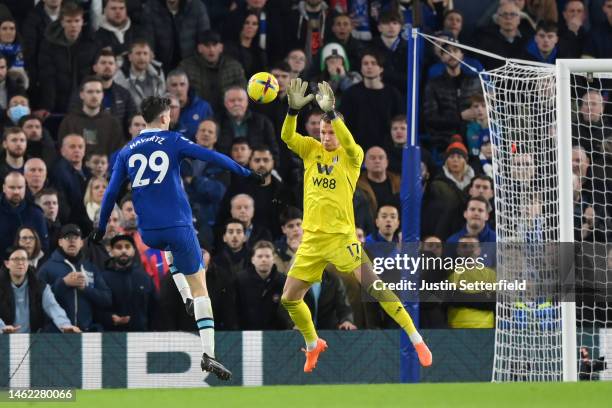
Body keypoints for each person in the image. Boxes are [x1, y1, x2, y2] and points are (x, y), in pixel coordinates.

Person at [92, 96, 265, 380]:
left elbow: (111, 192)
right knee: (203, 290)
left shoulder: (126, 151)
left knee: (171, 253)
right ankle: (209, 354)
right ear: (164, 118)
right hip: (177, 226)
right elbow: (213, 157)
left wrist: (100, 227)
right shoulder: (172, 140)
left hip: (148, 233)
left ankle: (185, 298)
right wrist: (247, 173)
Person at [279, 78, 432, 372]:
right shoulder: (311, 150)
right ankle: (313, 344)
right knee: (289, 299)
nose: (325, 136)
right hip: (311, 240)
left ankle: (415, 338)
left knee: (374, 287)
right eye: (322, 131)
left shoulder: (352, 156)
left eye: (330, 132)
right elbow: (287, 138)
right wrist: (292, 111)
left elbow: (348, 141)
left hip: (341, 238)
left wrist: (334, 115)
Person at [37, 224, 112, 332]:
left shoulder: (90, 267)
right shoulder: (47, 268)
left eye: (76, 238)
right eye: (67, 238)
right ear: (60, 242)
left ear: (81, 243)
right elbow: (36, 300)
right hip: (55, 334)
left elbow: (107, 299)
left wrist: (85, 289)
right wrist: (63, 283)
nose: (72, 241)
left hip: (86, 332)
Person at [0, 246, 81, 334]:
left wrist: (65, 325)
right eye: (15, 259)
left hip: (33, 339)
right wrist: (2, 328)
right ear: (7, 263)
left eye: (24, 259)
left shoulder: (40, 286)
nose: (20, 262)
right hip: (3, 339)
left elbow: (53, 307)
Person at [99, 234, 158, 331]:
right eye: (119, 247)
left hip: (142, 338)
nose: (123, 250)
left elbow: (154, 310)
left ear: (134, 251)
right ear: (112, 252)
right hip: (112, 337)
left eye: (127, 246)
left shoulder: (145, 278)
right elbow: (97, 309)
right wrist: (110, 318)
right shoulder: (103, 278)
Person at [58, 76, 125, 156]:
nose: (94, 96)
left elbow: (118, 154)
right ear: (81, 95)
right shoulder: (68, 122)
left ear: (102, 95)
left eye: (98, 92)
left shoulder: (113, 123)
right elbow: (63, 152)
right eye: (90, 92)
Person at [235, 240, 291, 330]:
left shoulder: (283, 281)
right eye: (260, 256)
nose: (263, 259)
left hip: (277, 335)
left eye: (267, 256)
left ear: (274, 259)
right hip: (247, 334)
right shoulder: (240, 280)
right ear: (252, 259)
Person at [0, 172, 49, 256]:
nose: (16, 192)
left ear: (25, 188)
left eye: (20, 187)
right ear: (4, 188)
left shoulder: (36, 213)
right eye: (12, 187)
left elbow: (43, 246)